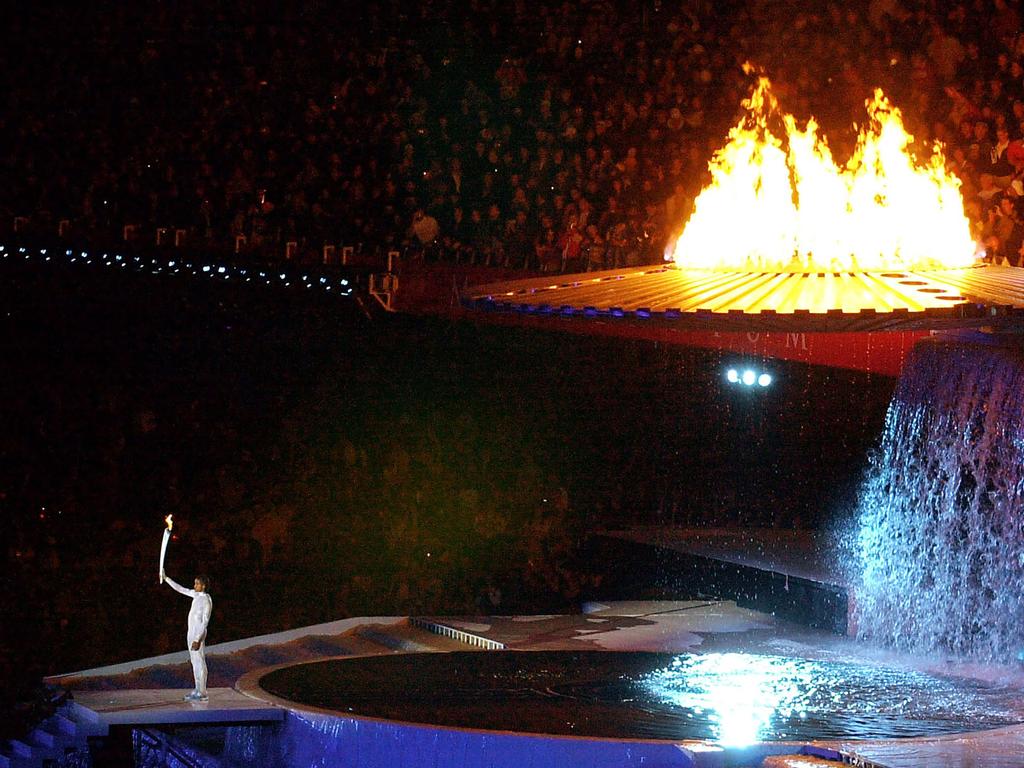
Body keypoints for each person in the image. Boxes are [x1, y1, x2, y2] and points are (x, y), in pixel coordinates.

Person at [161, 569, 213, 702]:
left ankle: (202, 692)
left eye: (197, 584)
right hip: (191, 632)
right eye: (194, 583)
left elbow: (205, 621)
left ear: (203, 586)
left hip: (198, 634)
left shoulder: (206, 600)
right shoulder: (196, 595)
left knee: (199, 661)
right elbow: (180, 589)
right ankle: (197, 688)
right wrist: (166, 578)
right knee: (195, 662)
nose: (194, 586)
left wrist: (197, 639)